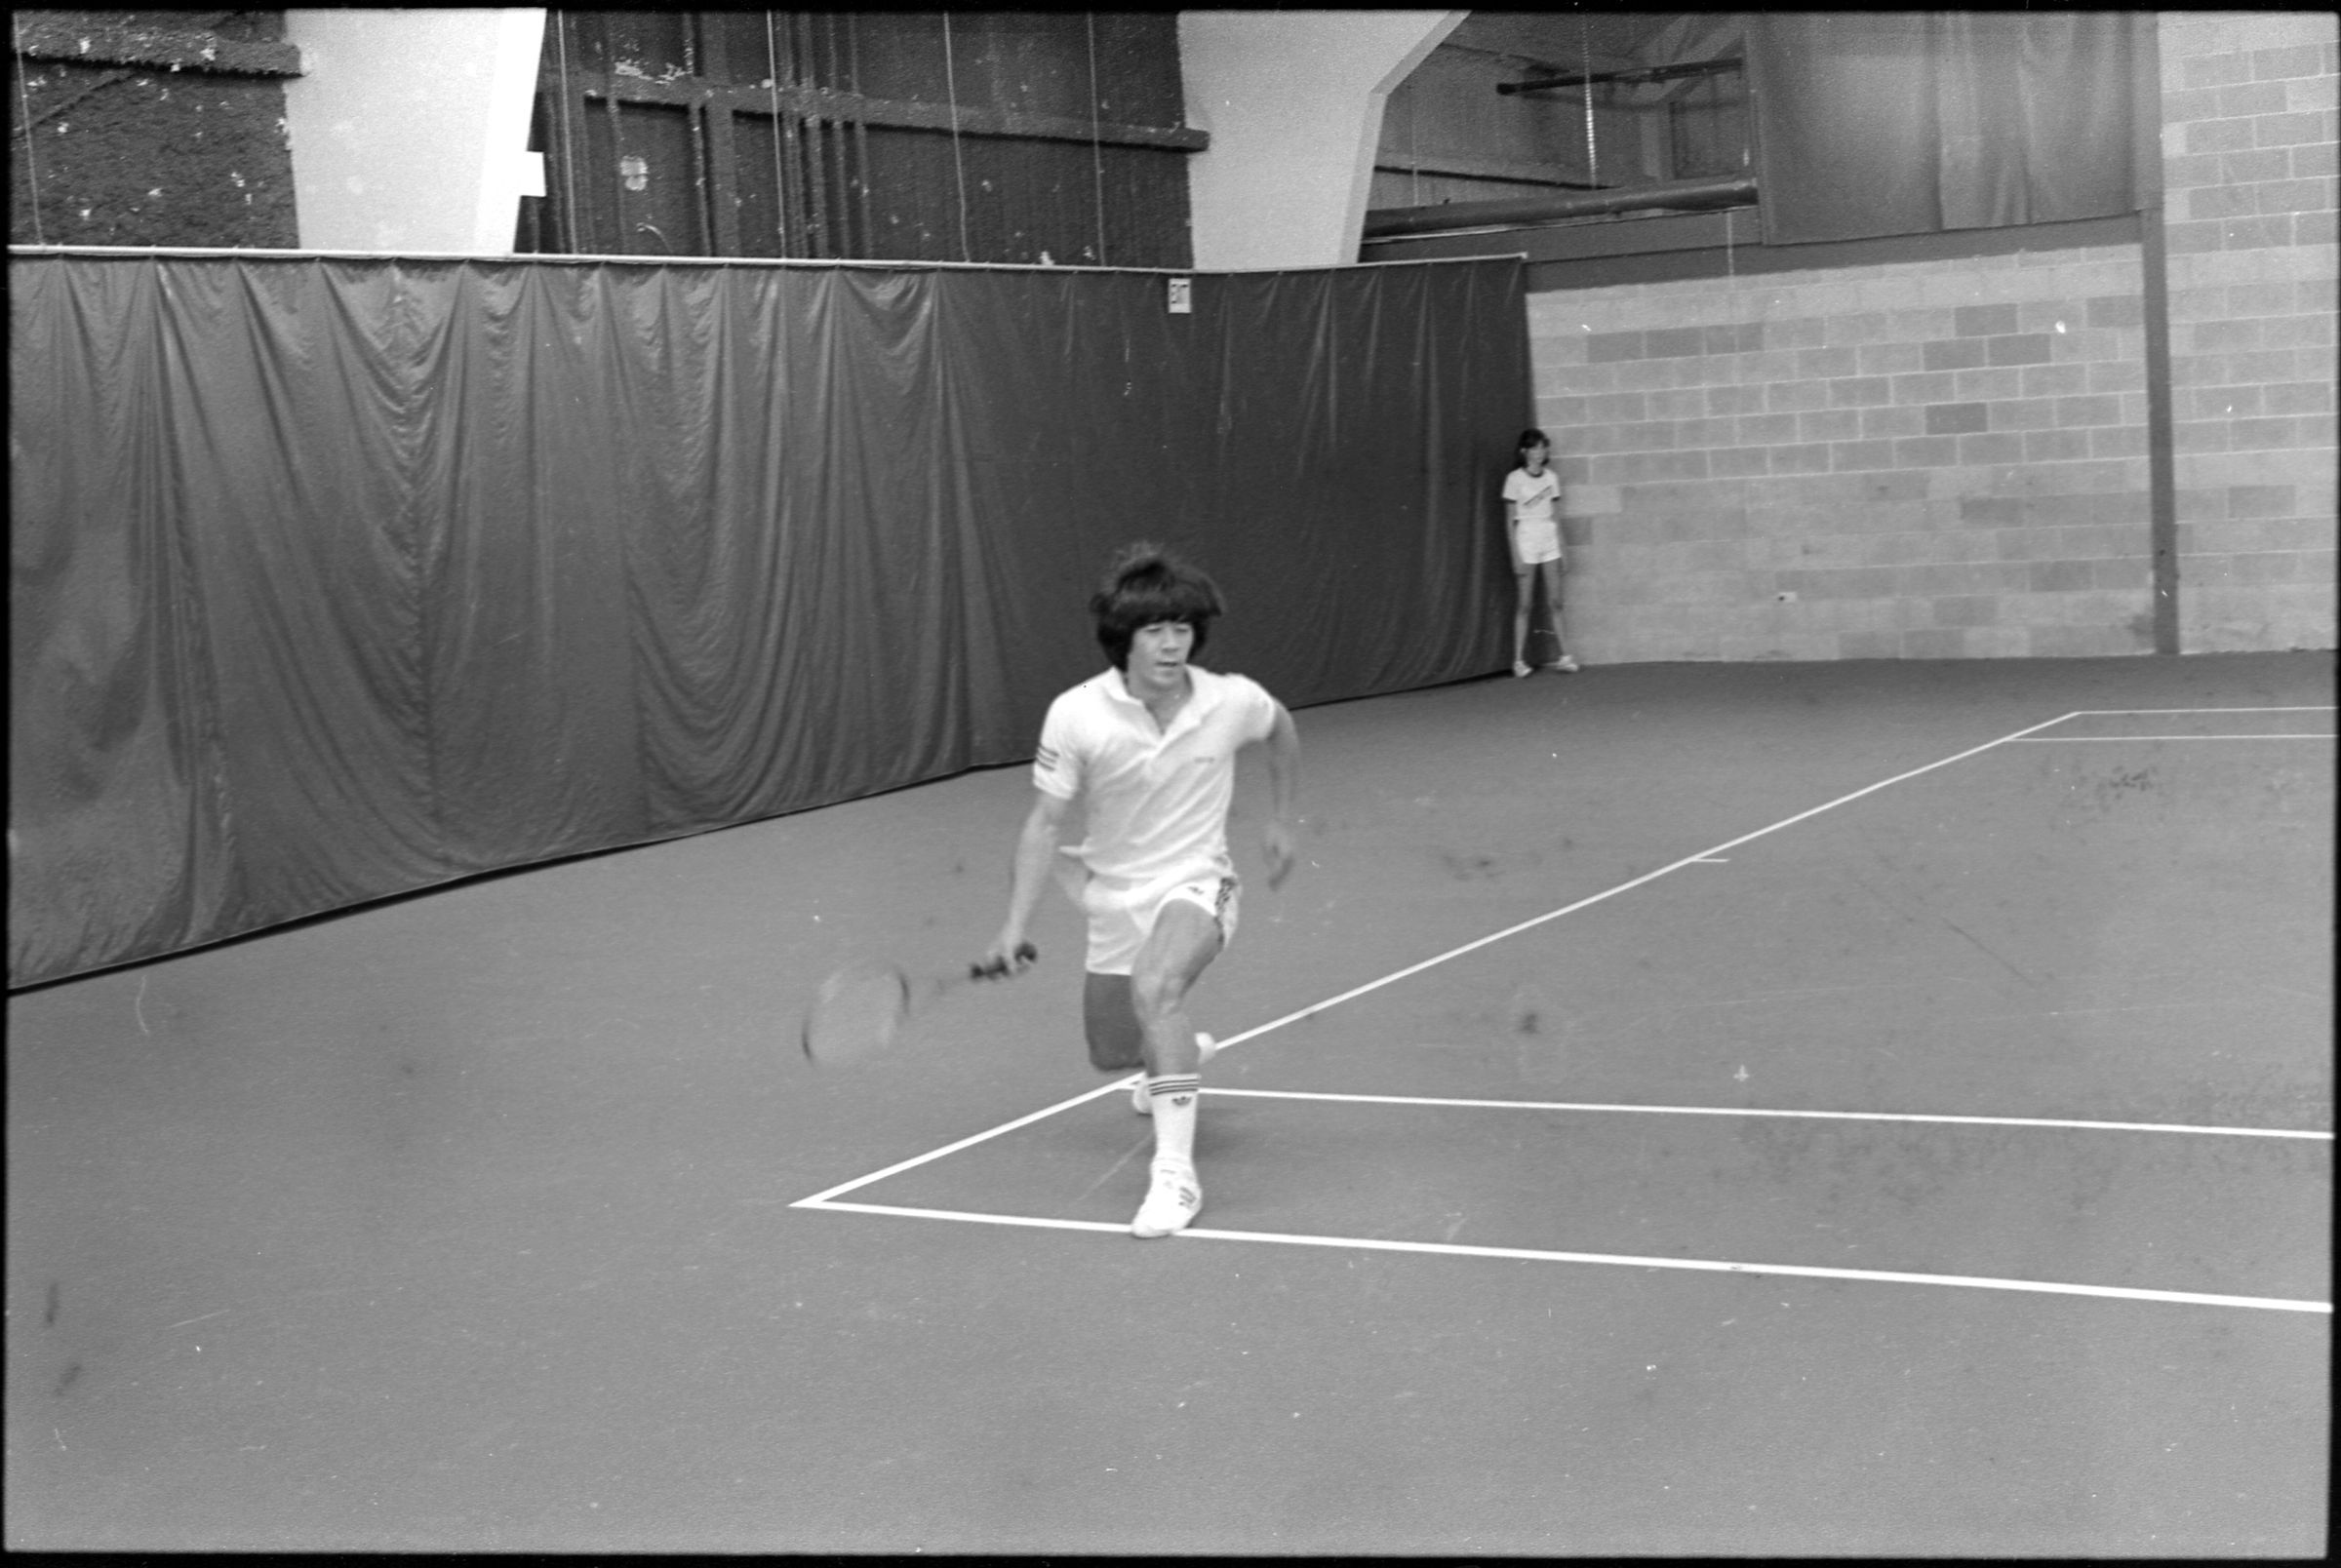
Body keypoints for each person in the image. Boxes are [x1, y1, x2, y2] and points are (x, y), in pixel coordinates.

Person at [983, 543, 1301, 1237]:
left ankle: (1175, 1176)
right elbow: (1044, 822)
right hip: (1114, 895)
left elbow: (1281, 729)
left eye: (1182, 628)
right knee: (1111, 1052)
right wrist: (1013, 925)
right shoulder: (1076, 714)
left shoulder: (1229, 700)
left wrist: (1282, 818)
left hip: (1199, 882)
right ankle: (1179, 1053)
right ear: (1122, 639)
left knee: (1157, 988)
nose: (1171, 644)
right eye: (1154, 630)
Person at [1502, 428, 1579, 677]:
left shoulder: (1551, 478)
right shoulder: (1514, 479)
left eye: (1542, 447)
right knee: (1525, 604)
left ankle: (1565, 656)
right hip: (1526, 538)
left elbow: (1556, 515)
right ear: (1524, 451)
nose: (1539, 452)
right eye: (1534, 448)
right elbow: (1509, 521)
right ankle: (1518, 661)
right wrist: (1515, 554)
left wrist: (1563, 549)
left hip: (1549, 538)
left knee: (1556, 601)